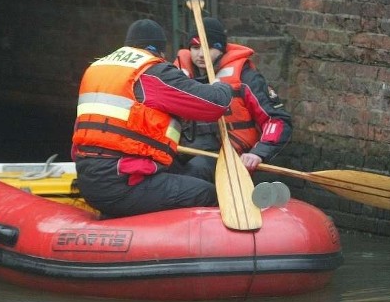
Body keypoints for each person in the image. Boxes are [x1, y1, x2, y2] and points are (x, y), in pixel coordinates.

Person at [72, 18, 234, 218]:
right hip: (123, 182)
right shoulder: (152, 71)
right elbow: (214, 105)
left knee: (182, 175)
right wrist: (222, 85)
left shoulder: (96, 69)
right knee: (206, 193)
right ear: (160, 51)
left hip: (88, 178)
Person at [173, 17, 293, 183]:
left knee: (194, 173)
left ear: (221, 49)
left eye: (208, 48)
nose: (201, 54)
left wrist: (258, 153)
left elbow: (278, 120)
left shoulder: (245, 76)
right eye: (195, 47)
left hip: (226, 155)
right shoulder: (177, 75)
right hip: (184, 149)